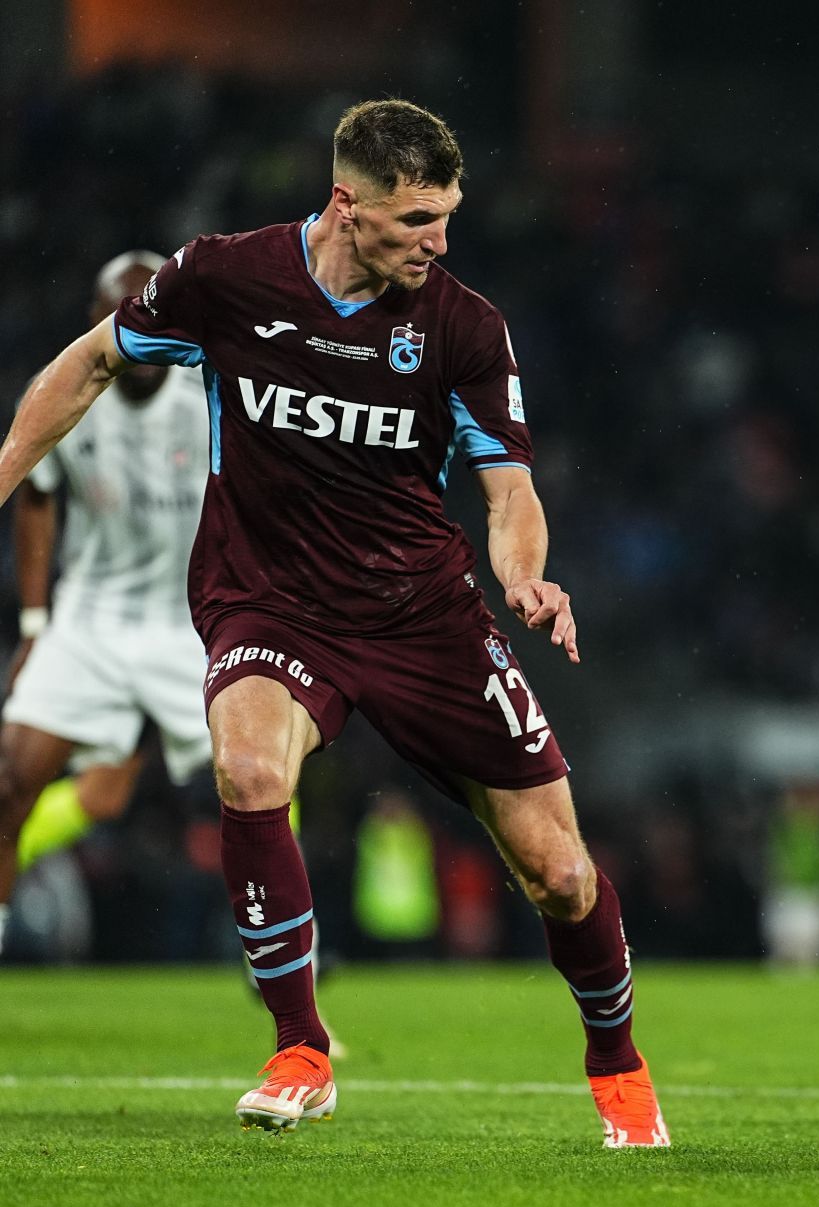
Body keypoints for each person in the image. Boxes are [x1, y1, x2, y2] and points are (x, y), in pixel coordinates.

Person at [0, 100, 668, 1149]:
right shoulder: (224, 277)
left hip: (422, 614)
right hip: (265, 596)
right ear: (347, 205)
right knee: (251, 771)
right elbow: (90, 362)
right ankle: (301, 1047)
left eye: (448, 218)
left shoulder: (463, 324)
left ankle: (617, 1062)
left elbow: (507, 491)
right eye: (417, 222)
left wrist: (528, 577)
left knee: (560, 871)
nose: (438, 244)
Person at [0, 252, 210, 957]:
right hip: (91, 618)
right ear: (97, 322)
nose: (140, 328)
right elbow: (35, 495)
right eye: (122, 313)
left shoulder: (213, 395)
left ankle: (281, 959)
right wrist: (35, 623)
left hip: (193, 623)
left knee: (266, 779)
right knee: (12, 782)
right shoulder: (63, 389)